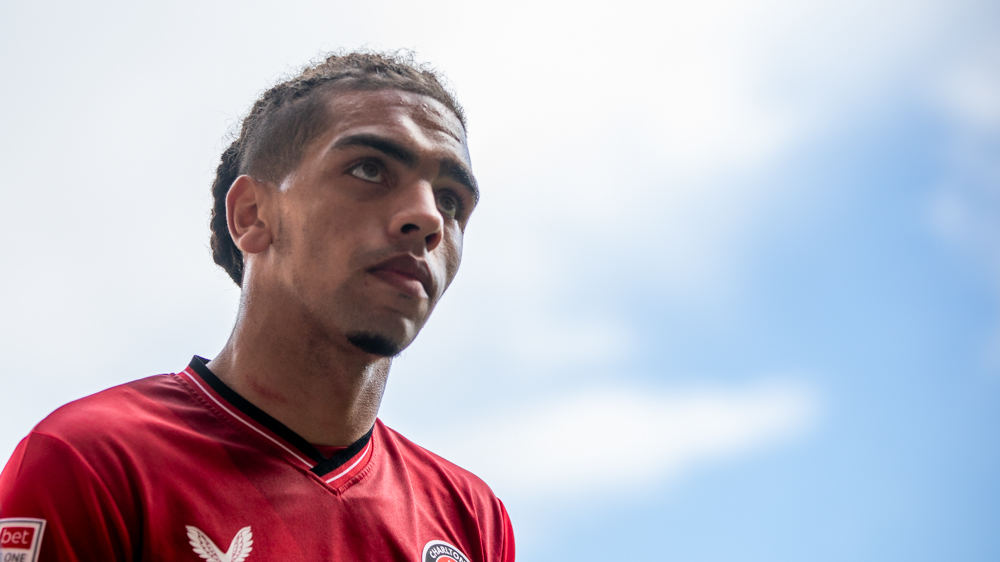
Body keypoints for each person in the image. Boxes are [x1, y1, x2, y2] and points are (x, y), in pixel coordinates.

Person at [0, 51, 514, 562]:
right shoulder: (88, 460)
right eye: (368, 169)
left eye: (451, 200)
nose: (428, 218)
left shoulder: (473, 518)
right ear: (251, 215)